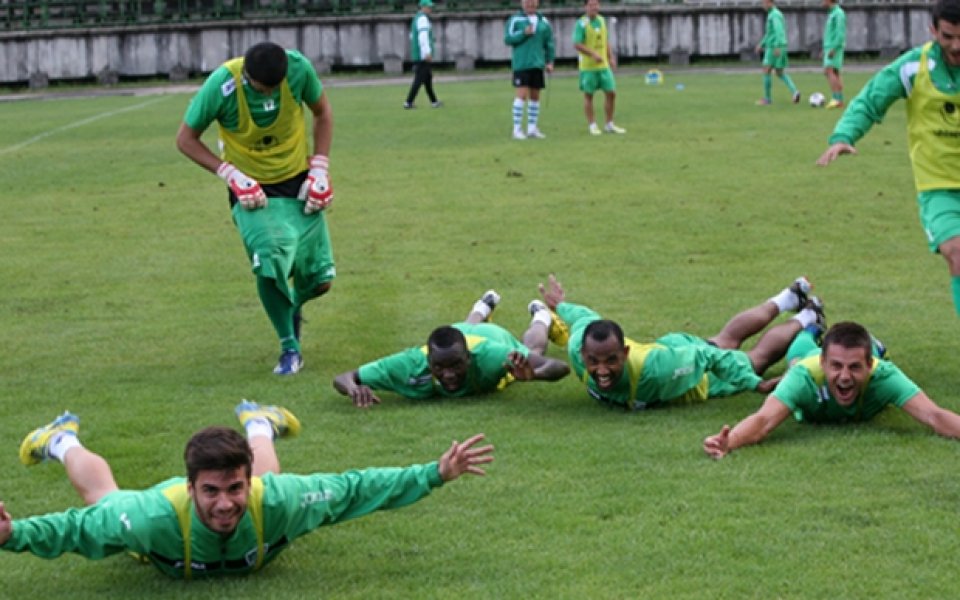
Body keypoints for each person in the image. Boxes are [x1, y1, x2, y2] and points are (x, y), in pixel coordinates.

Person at [0, 401, 493, 578]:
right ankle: (61, 439)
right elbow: (70, 530)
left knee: (276, 490)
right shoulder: (149, 516)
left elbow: (354, 488)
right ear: (190, 487)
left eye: (235, 487)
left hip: (270, 498)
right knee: (101, 500)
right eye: (211, 491)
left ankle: (259, 424)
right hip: (151, 532)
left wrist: (435, 472)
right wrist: (12, 534)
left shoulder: (273, 499)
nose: (225, 503)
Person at [176, 41, 335, 376]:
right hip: (252, 191)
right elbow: (186, 139)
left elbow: (322, 112)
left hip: (297, 182)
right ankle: (289, 348)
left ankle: (292, 307)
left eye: (274, 89)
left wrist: (319, 167)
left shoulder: (298, 70)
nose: (268, 95)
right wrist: (229, 173)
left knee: (320, 280)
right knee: (270, 261)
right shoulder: (222, 85)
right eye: (262, 89)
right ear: (247, 76)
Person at [816, 0, 960, 319]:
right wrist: (843, 136)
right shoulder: (913, 67)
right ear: (933, 30)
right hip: (940, 190)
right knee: (957, 253)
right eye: (948, 36)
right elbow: (870, 101)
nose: (956, 45)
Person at [536, 274, 825, 411]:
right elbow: (585, 317)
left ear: (624, 353)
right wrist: (562, 306)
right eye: (594, 361)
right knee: (725, 339)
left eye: (611, 360)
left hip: (690, 373)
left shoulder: (655, 371)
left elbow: (708, 358)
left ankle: (808, 316)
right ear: (583, 353)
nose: (601, 369)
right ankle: (791, 296)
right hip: (667, 347)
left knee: (753, 358)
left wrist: (753, 382)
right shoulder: (577, 347)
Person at [703, 321, 960, 458]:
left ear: (870, 365)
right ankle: (811, 327)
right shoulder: (804, 376)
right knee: (798, 350)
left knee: (872, 347)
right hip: (805, 356)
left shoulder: (884, 376)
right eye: (836, 366)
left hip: (866, 355)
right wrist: (730, 442)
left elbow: (933, 416)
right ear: (824, 364)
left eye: (855, 367)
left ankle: (875, 345)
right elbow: (763, 420)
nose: (845, 377)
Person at [332, 290, 571, 407]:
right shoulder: (409, 364)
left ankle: (541, 316)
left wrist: (533, 374)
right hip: (461, 333)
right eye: (439, 367)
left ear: (469, 358)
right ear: (428, 361)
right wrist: (353, 389)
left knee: (534, 351)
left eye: (456, 365)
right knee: (465, 329)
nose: (448, 374)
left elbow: (559, 367)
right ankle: (483, 306)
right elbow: (343, 378)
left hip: (490, 336)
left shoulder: (491, 355)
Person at [572, 0, 626, 136]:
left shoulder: (602, 20)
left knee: (611, 93)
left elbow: (605, 40)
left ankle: (609, 123)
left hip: (603, 66)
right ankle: (592, 125)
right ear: (585, 7)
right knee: (589, 95)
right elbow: (577, 44)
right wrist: (592, 53)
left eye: (596, 4)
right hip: (588, 67)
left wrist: (610, 57)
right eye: (591, 5)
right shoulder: (581, 24)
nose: (594, 7)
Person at [504, 0, 556, 140]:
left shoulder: (543, 21)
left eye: (532, 1)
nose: (530, 4)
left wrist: (549, 61)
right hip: (522, 64)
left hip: (537, 64)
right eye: (527, 1)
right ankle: (517, 129)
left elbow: (549, 43)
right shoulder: (515, 20)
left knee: (535, 96)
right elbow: (508, 39)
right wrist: (523, 33)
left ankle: (532, 128)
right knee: (521, 95)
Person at [755, 0, 800, 105]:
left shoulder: (774, 15)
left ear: (769, 2)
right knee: (779, 72)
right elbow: (770, 33)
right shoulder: (774, 14)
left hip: (774, 47)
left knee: (766, 70)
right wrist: (761, 44)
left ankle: (767, 99)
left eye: (764, 3)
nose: (763, 5)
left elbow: (778, 31)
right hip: (778, 45)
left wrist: (777, 46)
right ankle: (795, 91)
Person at [404, 0, 442, 110]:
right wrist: (427, 52)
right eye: (429, 7)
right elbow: (423, 37)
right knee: (419, 79)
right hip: (422, 55)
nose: (431, 9)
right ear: (423, 7)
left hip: (418, 53)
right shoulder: (423, 19)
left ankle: (434, 101)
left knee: (427, 78)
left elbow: (412, 36)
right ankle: (408, 102)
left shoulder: (417, 18)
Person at [821, 0, 846, 109]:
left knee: (829, 70)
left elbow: (840, 33)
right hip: (829, 46)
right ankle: (839, 99)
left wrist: (834, 48)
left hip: (834, 47)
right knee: (834, 72)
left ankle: (836, 98)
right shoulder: (832, 13)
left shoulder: (838, 13)